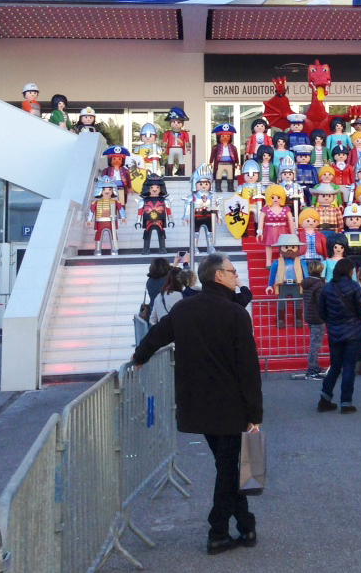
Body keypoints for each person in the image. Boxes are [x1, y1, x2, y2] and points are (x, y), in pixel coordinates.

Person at [132, 254, 262, 555]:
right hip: (231, 407)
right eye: (232, 271)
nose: (235, 276)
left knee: (227, 466)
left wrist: (140, 357)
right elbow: (248, 368)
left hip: (197, 404)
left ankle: (246, 525)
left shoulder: (184, 309)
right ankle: (218, 531)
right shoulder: (236, 314)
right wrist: (256, 414)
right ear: (218, 276)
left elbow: (157, 334)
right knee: (229, 469)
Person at [317, 258, 361, 413]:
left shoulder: (327, 288)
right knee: (349, 368)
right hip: (353, 332)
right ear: (349, 271)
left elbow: (322, 312)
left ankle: (324, 399)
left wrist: (332, 322)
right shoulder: (354, 287)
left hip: (334, 332)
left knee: (335, 366)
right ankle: (346, 402)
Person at [267, 233, 305, 329]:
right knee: (281, 302)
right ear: (280, 248)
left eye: (293, 247)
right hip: (282, 285)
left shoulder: (301, 262)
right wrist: (270, 285)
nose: (290, 249)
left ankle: (298, 319)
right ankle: (280, 320)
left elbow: (306, 274)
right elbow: (272, 274)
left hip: (296, 285)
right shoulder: (276, 263)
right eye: (286, 247)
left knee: (297, 302)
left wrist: (307, 284)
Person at [301, 259, 326, 379]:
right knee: (315, 344)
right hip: (317, 316)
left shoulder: (306, 282)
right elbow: (321, 301)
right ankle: (312, 369)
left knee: (314, 342)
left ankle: (314, 366)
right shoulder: (320, 284)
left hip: (309, 314)